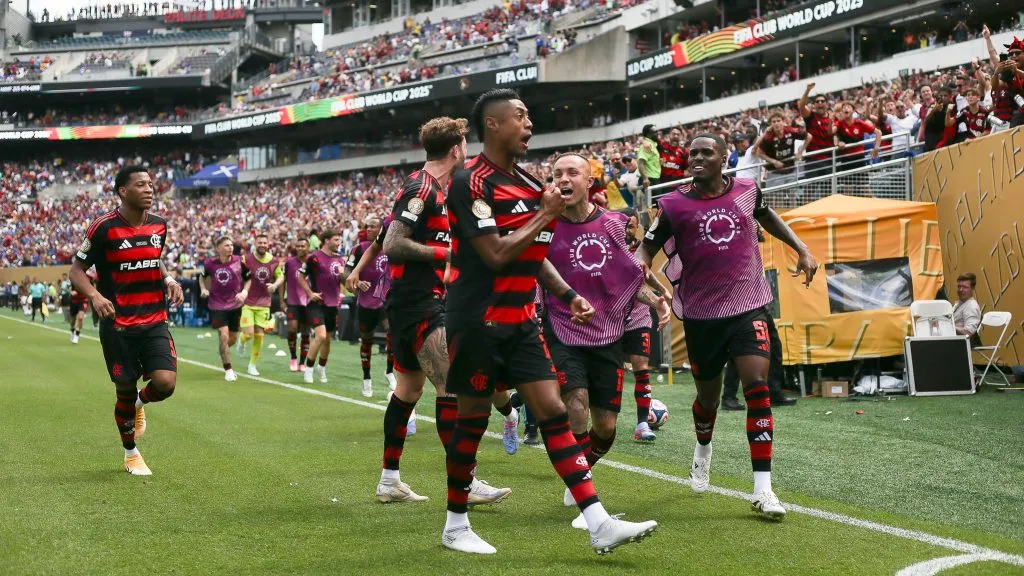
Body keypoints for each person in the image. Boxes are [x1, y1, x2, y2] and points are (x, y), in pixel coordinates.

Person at [442, 89, 657, 554]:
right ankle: (455, 526)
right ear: (493, 124)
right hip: (477, 321)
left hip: (522, 321)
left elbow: (533, 252)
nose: (529, 124)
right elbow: (496, 253)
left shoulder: (526, 181)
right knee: (472, 422)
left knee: (556, 414)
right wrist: (545, 214)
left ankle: (598, 523)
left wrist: (568, 294)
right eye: (520, 116)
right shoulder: (469, 182)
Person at [637, 133, 818, 520]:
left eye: (706, 153)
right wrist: (637, 274)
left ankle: (763, 490)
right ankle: (703, 449)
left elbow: (767, 216)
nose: (697, 158)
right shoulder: (672, 205)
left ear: (724, 159)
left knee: (757, 388)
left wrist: (801, 248)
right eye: (692, 153)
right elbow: (646, 250)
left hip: (748, 307)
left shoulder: (747, 190)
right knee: (708, 400)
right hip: (702, 316)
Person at [346, 117, 514, 505]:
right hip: (419, 302)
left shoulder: (432, 189)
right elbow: (393, 243)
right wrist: (447, 253)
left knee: (408, 389)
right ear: (456, 149)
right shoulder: (420, 188)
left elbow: (385, 237)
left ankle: (389, 480)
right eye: (465, 145)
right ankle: (465, 482)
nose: (468, 151)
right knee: (451, 386)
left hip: (410, 302)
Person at [543, 153, 671, 529]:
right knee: (576, 405)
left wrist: (656, 299)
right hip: (562, 330)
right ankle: (588, 500)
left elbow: (628, 281)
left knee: (606, 427)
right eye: (557, 174)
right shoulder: (544, 225)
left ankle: (580, 472)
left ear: (589, 181)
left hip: (607, 335)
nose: (563, 179)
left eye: (572, 172)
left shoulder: (614, 224)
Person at [70, 165, 184, 476]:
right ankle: (131, 453)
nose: (149, 189)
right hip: (118, 326)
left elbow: (153, 258)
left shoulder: (159, 226)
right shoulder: (103, 227)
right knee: (124, 387)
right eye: (141, 185)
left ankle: (138, 403)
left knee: (165, 383)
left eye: (151, 184)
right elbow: (76, 271)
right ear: (123, 191)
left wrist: (168, 278)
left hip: (154, 320)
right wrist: (95, 296)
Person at [345, 215, 395, 398]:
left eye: (373, 226)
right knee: (367, 340)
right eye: (367, 226)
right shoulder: (359, 249)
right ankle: (367, 378)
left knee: (393, 333)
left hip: (387, 300)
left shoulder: (392, 246)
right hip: (366, 301)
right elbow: (346, 272)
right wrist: (357, 282)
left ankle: (389, 371)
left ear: (382, 229)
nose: (369, 229)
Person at [298, 229, 346, 384]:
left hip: (332, 305)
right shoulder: (314, 258)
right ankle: (308, 369)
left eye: (340, 240)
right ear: (326, 240)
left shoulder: (340, 259)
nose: (339, 243)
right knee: (321, 336)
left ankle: (322, 368)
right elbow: (301, 276)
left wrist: (344, 277)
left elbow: (344, 282)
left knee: (327, 340)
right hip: (316, 303)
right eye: (336, 240)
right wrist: (310, 293)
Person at [200, 236, 248, 382]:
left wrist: (244, 292)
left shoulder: (240, 261)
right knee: (224, 336)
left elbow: (249, 279)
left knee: (231, 339)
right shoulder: (210, 263)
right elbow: (202, 277)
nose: (230, 247)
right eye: (227, 245)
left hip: (235, 305)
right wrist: (203, 289)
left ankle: (223, 350)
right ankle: (229, 370)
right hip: (217, 305)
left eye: (231, 245)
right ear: (218, 248)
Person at [238, 233, 282, 376]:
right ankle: (241, 341)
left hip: (264, 303)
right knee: (248, 334)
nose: (262, 245)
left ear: (268, 244)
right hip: (248, 302)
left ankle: (252, 365)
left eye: (264, 243)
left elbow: (281, 276)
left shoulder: (274, 261)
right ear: (255, 244)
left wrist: (275, 285)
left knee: (259, 335)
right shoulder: (246, 259)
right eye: (260, 242)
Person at [271, 239, 312, 372]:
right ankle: (293, 357)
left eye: (303, 246)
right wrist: (282, 301)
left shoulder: (313, 261)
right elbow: (283, 281)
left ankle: (302, 362)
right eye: (298, 246)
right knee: (292, 329)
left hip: (309, 302)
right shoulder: (289, 262)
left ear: (308, 247)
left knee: (305, 331)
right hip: (293, 301)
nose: (300, 248)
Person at [68, 268, 95, 344]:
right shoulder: (75, 278)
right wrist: (72, 292)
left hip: (83, 300)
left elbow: (91, 290)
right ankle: (72, 330)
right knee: (73, 320)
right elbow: (72, 289)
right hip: (74, 300)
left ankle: (77, 334)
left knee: (80, 317)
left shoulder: (91, 280)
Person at [953, 272, 981, 343]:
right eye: (959, 286)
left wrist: (949, 327)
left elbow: (968, 332)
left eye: (965, 287)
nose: (960, 290)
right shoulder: (959, 303)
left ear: (972, 288)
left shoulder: (971, 306)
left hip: (961, 344)